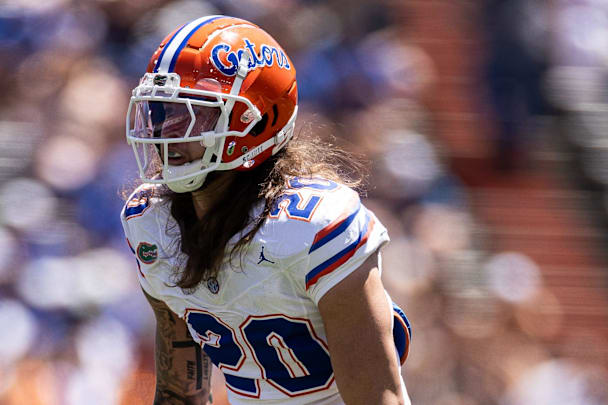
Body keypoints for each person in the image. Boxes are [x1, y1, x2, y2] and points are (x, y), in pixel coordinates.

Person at [121, 15, 412, 405]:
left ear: (257, 120)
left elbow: (379, 397)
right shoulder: (151, 223)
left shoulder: (314, 225)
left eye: (194, 115)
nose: (169, 133)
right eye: (162, 112)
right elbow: (180, 392)